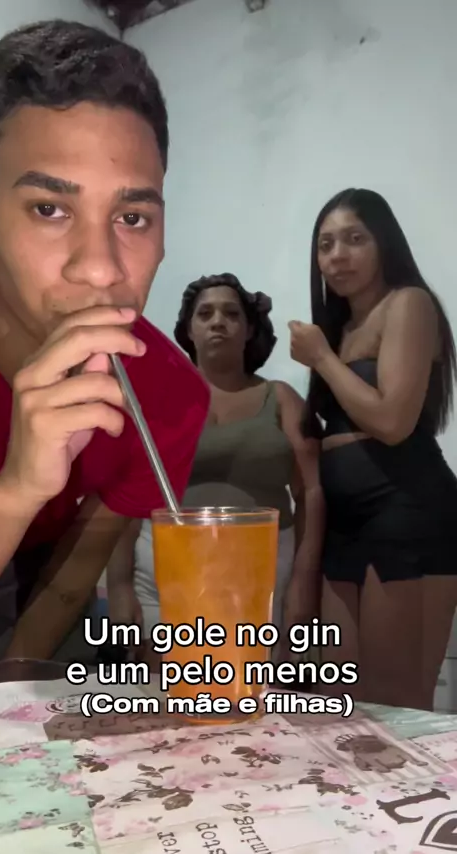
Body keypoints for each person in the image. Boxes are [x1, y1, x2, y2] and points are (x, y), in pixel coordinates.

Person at [0, 20, 210, 664]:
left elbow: (72, 578)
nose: (102, 270)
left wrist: (6, 692)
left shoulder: (171, 399)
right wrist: (15, 490)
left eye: (132, 217)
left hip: (40, 567)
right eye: (49, 209)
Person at [289, 187, 457, 710]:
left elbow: (391, 421)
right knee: (340, 699)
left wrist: (321, 358)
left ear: (385, 243)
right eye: (326, 244)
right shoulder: (339, 330)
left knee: (397, 702)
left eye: (355, 239)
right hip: (345, 522)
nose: (337, 255)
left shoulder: (408, 303)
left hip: (406, 506)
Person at [107, 273, 324, 669]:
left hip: (263, 575)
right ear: (188, 330)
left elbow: (311, 493)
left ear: (250, 329)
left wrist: (304, 584)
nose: (218, 322)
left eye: (231, 314)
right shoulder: (158, 401)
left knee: (253, 693)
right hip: (165, 570)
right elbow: (126, 495)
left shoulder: (281, 399)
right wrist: (119, 585)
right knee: (167, 695)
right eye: (204, 314)